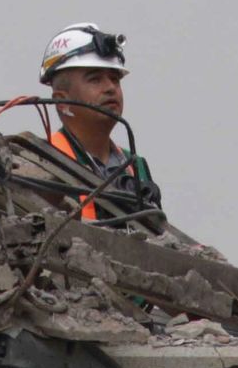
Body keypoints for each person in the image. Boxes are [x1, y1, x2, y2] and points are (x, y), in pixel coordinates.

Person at [38, 21, 163, 227]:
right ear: (61, 101)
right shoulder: (41, 159)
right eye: (95, 79)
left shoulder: (134, 166)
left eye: (115, 79)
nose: (110, 88)